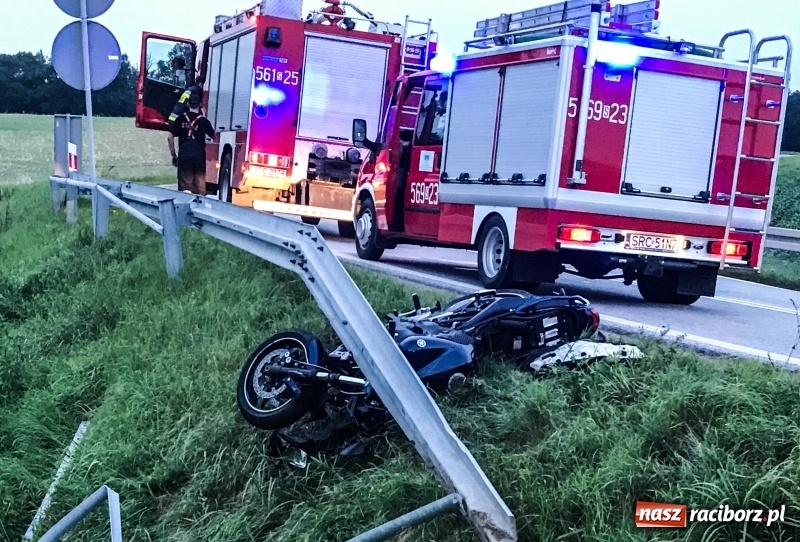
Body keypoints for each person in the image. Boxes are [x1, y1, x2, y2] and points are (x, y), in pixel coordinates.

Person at [168, 93, 215, 194]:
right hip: (199, 157)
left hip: (184, 156)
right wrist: (204, 116)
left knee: (185, 189)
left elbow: (169, 137)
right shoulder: (203, 121)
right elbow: (214, 136)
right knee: (200, 188)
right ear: (200, 105)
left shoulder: (180, 119)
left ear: (188, 104)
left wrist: (174, 155)